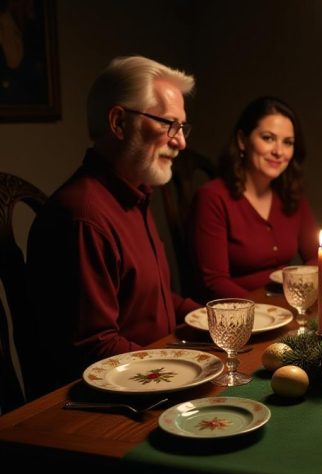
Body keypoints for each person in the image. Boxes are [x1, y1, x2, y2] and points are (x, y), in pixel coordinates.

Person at [25, 55, 200, 396]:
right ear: (119, 123)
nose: (181, 142)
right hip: (106, 405)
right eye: (169, 124)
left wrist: (218, 318)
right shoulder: (84, 215)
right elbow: (94, 351)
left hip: (151, 379)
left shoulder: (134, 194)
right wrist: (190, 363)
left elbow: (152, 299)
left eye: (182, 127)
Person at [187, 96, 317, 301]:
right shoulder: (212, 197)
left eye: (288, 142)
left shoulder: (292, 195)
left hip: (287, 306)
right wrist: (265, 309)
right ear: (242, 140)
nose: (279, 151)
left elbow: (318, 257)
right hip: (238, 317)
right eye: (268, 138)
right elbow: (213, 283)